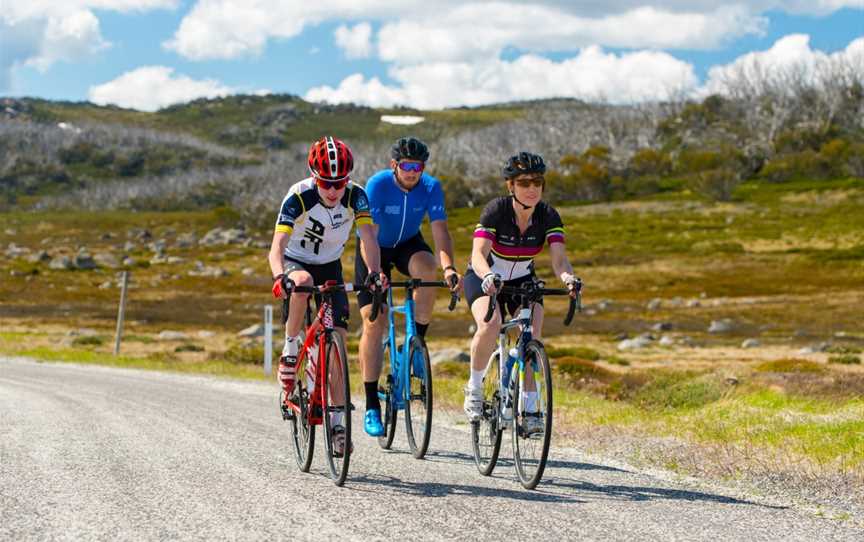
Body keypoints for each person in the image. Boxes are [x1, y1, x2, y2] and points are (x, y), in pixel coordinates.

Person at [268, 135, 387, 455]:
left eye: (339, 183)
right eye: (326, 183)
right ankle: (291, 348)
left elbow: (367, 238)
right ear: (313, 177)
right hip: (297, 261)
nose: (333, 191)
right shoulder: (299, 196)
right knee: (303, 280)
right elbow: (277, 247)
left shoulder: (357, 196)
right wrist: (280, 276)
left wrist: (374, 273)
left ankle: (337, 427)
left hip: (330, 265)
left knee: (335, 349)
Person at [462, 151, 580, 434]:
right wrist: (488, 275)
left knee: (532, 336)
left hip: (523, 280)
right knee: (490, 325)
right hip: (484, 276)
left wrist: (568, 279)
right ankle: (475, 388)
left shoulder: (548, 215)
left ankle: (528, 406)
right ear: (510, 186)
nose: (532, 189)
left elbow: (559, 260)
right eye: (524, 182)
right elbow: (478, 254)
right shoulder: (496, 211)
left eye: (537, 182)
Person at [356, 136, 462, 437]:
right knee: (374, 321)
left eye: (417, 166)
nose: (412, 171)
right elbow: (370, 236)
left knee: (428, 272)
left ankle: (417, 344)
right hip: (374, 247)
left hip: (407, 244)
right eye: (406, 166)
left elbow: (440, 232)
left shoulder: (431, 186)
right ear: (395, 165)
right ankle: (371, 403)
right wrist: (376, 273)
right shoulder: (377, 185)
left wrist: (449, 268)